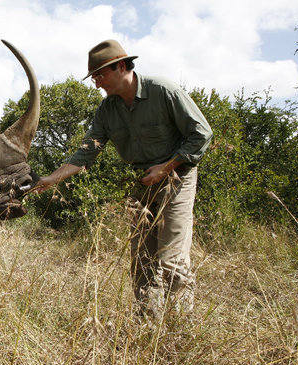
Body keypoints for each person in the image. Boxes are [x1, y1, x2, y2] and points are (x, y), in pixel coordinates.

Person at [32, 39, 213, 319]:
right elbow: (84, 154)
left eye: (99, 76)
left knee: (171, 260)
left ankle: (181, 333)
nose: (96, 84)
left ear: (120, 66)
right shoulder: (107, 110)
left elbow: (201, 134)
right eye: (94, 78)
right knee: (142, 261)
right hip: (139, 183)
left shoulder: (163, 90)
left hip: (177, 177)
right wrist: (49, 179)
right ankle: (147, 328)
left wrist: (165, 168)